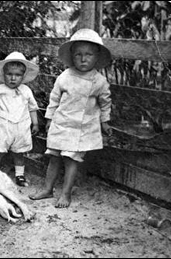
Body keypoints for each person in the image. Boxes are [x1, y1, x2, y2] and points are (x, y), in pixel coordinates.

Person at [29, 28, 113, 208]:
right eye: (78, 55)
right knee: (54, 157)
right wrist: (50, 118)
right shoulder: (65, 76)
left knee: (71, 159)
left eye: (88, 55)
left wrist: (104, 121)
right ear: (72, 56)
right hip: (62, 123)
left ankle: (66, 193)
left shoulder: (99, 81)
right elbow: (54, 98)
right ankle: (47, 188)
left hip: (81, 127)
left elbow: (105, 102)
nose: (83, 59)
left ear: (96, 57)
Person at [0, 51, 40, 187]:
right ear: (4, 75)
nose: (13, 78)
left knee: (19, 153)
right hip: (3, 126)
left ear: (23, 76)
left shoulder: (26, 91)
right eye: (9, 74)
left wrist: (35, 123)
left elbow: (32, 108)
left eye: (17, 75)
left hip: (21, 127)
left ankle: (19, 175)